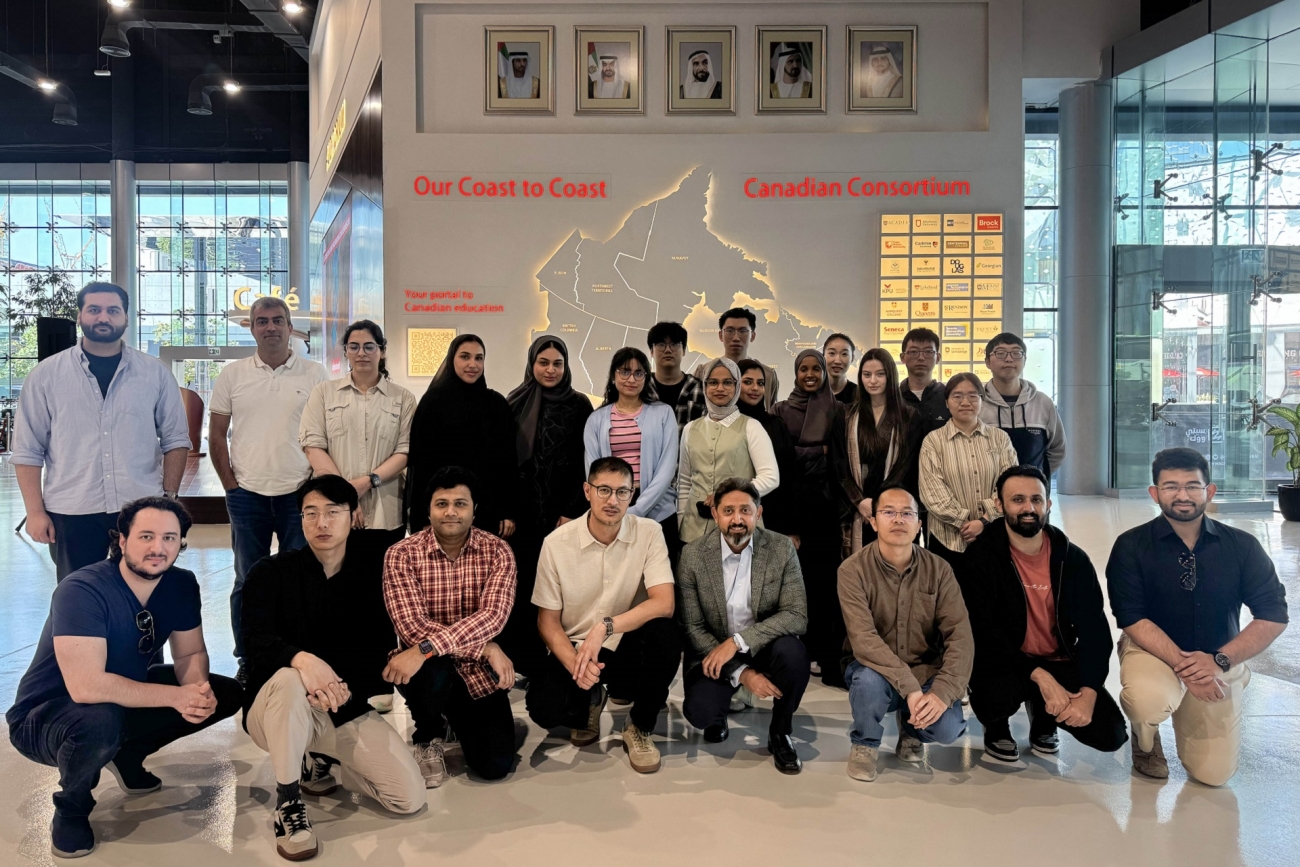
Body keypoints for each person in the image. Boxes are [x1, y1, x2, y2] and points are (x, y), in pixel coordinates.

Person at [6, 497, 242, 858]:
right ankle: (72, 808)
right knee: (101, 719)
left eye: (169, 538)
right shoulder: (82, 589)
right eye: (146, 536)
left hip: (115, 699)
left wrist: (195, 691)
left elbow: (189, 654)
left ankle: (127, 754)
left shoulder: (180, 584)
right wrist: (175, 697)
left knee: (225, 693)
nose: (158, 548)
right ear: (122, 540)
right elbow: (86, 687)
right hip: (45, 715)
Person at [240, 475, 425, 861]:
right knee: (290, 678)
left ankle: (318, 758)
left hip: (340, 705)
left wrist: (339, 688)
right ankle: (288, 802)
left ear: (353, 515)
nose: (321, 523)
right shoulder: (270, 573)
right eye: (310, 513)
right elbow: (255, 643)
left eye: (332, 512)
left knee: (408, 798)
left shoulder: (374, 573)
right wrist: (303, 661)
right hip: (273, 709)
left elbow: (375, 653)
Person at [1106, 448, 1289, 786]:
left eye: (1192, 485)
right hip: (1152, 651)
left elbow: (1273, 615)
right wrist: (1187, 667)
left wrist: (1219, 661)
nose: (1183, 495)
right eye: (1171, 486)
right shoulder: (1131, 546)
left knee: (1214, 775)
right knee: (1148, 701)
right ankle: (1145, 738)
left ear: (1210, 491)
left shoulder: (1242, 546)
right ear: (1154, 493)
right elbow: (1131, 617)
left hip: (1218, 656)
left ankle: (1235, 674)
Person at [13, 282, 191, 582]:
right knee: (78, 594)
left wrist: (169, 499)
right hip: (72, 509)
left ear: (126, 317)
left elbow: (176, 440)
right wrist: (35, 511)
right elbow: (28, 449)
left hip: (141, 507)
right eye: (94, 310)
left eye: (113, 310)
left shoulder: (155, 373)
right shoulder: (46, 375)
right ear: (80, 316)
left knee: (143, 591)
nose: (103, 317)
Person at [960, 466, 1128, 763]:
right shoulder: (979, 558)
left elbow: (1095, 631)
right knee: (993, 700)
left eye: (1036, 499)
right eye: (1018, 500)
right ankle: (997, 726)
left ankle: (1043, 718)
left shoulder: (1072, 559)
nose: (1029, 508)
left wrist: (1089, 692)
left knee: (1109, 734)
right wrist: (1041, 677)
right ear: (999, 505)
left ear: (1048, 504)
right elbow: (983, 633)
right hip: (1005, 661)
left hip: (1057, 659)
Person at [526, 457, 681, 774]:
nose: (613, 500)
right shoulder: (556, 544)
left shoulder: (649, 532)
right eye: (604, 490)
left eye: (622, 492)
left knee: (667, 634)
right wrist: (576, 664)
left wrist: (606, 627)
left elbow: (664, 603)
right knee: (544, 709)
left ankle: (639, 726)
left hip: (626, 646)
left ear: (632, 495)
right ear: (587, 491)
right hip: (577, 648)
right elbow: (547, 622)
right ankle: (592, 697)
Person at [210, 295, 328, 683]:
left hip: (298, 496)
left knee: (299, 580)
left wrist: (314, 487)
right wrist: (231, 486)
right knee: (248, 580)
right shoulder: (233, 375)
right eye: (262, 321)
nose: (271, 327)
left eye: (278, 320)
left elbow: (324, 434)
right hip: (248, 496)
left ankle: (295, 654)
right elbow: (216, 435)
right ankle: (248, 657)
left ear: (291, 327)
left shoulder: (314, 374)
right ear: (252, 328)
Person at [384, 466, 519, 788]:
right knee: (431, 668)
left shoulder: (498, 550)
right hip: (427, 669)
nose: (450, 512)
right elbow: (411, 627)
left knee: (495, 764)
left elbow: (494, 616)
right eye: (441, 504)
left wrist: (432, 646)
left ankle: (452, 717)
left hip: (476, 672)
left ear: (474, 510)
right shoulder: (401, 554)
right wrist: (484, 647)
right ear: (428, 510)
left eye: (460, 504)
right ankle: (427, 734)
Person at [838, 487, 972, 782]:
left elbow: (960, 636)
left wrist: (942, 693)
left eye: (907, 513)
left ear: (919, 524)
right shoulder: (852, 570)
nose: (898, 519)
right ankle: (865, 742)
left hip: (925, 668)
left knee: (947, 729)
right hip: (874, 669)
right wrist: (911, 689)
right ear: (874, 522)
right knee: (867, 683)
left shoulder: (940, 569)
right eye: (889, 512)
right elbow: (864, 640)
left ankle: (912, 729)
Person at [677, 478, 809, 773]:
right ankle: (720, 711)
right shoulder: (693, 556)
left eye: (745, 511)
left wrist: (737, 641)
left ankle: (780, 732)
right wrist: (743, 673)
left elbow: (796, 614)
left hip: (763, 645)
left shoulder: (781, 548)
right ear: (715, 514)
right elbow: (693, 628)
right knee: (701, 713)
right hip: (713, 650)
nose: (737, 519)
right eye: (728, 511)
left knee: (793, 655)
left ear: (758, 513)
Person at [502, 335, 593, 676]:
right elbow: (505, 463)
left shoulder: (580, 405)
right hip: (523, 515)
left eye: (557, 363)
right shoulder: (515, 401)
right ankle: (526, 663)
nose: (550, 370)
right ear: (532, 364)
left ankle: (563, 661)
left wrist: (572, 510)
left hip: (563, 515)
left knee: (562, 589)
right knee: (524, 585)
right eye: (543, 363)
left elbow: (585, 462)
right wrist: (508, 510)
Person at [300, 320, 414, 552]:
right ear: (346, 352)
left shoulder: (403, 398)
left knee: (382, 572)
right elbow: (313, 446)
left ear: (382, 351)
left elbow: (405, 450)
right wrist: (344, 495)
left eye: (369, 346)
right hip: (331, 510)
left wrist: (367, 482)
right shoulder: (324, 393)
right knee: (333, 572)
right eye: (354, 346)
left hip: (386, 511)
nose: (361, 353)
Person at [772, 349, 847, 686]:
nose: (810, 374)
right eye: (803, 368)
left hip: (826, 507)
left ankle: (823, 653)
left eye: (816, 368)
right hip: (790, 507)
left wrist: (804, 454)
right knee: (791, 584)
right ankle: (792, 653)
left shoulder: (837, 409)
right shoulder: (780, 410)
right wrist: (818, 451)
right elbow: (781, 460)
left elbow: (840, 459)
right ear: (796, 372)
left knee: (824, 584)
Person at [407, 334, 519, 538]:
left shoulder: (496, 404)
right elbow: (421, 463)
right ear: (452, 359)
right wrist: (423, 516)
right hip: (444, 510)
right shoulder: (432, 403)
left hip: (487, 509)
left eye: (479, 358)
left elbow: (507, 461)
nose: (472, 364)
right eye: (465, 357)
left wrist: (507, 511)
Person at [917, 372, 1018, 566]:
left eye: (973, 396)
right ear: (946, 402)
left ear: (982, 401)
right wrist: (964, 522)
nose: (965, 402)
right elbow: (932, 491)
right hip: (947, 538)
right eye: (957, 396)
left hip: (993, 533)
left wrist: (984, 520)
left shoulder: (1000, 438)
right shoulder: (933, 441)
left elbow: (1010, 485)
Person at [676, 357, 779, 546]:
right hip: (693, 528)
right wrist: (681, 522)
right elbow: (684, 482)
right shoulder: (691, 428)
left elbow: (771, 477)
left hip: (740, 526)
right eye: (713, 382)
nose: (720, 388)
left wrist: (731, 494)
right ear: (705, 386)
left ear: (736, 386)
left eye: (727, 382)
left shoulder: (751, 426)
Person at [583, 346, 679, 544]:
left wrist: (638, 509)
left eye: (638, 373)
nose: (632, 379)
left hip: (659, 508)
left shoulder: (663, 413)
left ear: (646, 378)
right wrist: (614, 503)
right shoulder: (596, 419)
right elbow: (593, 470)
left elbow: (667, 467)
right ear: (613, 376)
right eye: (625, 372)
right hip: (611, 506)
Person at [836, 349, 923, 555]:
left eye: (880, 374)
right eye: (867, 375)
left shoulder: (909, 416)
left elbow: (907, 465)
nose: (873, 380)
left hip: (894, 506)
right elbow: (839, 463)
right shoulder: (846, 415)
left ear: (890, 375)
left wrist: (880, 502)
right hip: (857, 508)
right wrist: (860, 501)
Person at [979, 333, 1067, 478]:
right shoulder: (977, 403)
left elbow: (1057, 450)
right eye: (1000, 353)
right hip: (988, 490)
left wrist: (1037, 477)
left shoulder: (1043, 403)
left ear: (1025, 360)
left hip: (1033, 490)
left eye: (1016, 353)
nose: (1009, 359)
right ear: (987, 362)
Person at [736, 359, 802, 545]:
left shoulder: (775, 425)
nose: (755, 388)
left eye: (760, 383)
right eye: (748, 382)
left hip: (775, 516)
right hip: (735, 517)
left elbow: (790, 476)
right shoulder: (726, 425)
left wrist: (791, 528)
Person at [693, 308, 780, 410]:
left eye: (743, 331)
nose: (736, 338)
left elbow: (771, 411)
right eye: (730, 331)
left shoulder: (768, 375)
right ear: (720, 335)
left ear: (752, 336)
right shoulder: (702, 372)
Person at [647, 321, 705, 434]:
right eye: (661, 345)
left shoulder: (698, 388)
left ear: (684, 350)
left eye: (674, 344)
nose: (668, 350)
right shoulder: (642, 387)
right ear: (651, 351)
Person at [898, 327, 949, 432]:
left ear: (938, 358)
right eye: (914, 352)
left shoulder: (948, 396)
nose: (921, 357)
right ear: (903, 357)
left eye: (928, 352)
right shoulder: (893, 397)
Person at [823, 333, 858, 405]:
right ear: (823, 356)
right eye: (832, 353)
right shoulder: (812, 392)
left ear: (852, 358)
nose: (837, 361)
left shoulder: (859, 395)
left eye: (844, 354)